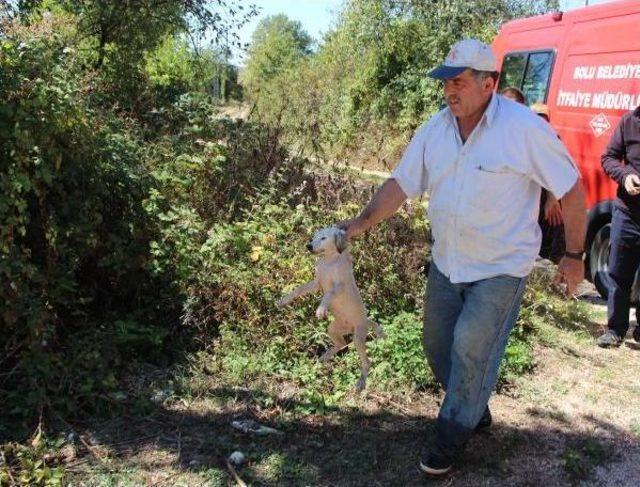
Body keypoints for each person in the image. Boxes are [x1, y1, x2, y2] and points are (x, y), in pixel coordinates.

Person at [338, 39, 587, 475]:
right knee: (437, 347)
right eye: (445, 83)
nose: (448, 91)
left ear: (489, 84)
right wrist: (358, 224)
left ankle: (449, 437)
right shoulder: (435, 130)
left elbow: (569, 187)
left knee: (471, 347)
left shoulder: (523, 129)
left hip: (500, 270)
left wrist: (573, 254)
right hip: (447, 264)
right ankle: (474, 407)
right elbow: (400, 184)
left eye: (458, 82)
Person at [501, 92, 566, 262]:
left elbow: (556, 170)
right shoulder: (512, 132)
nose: (540, 120)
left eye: (544, 117)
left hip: (541, 197)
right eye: (537, 116)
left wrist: (552, 197)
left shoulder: (551, 138)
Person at [596, 105, 640, 347]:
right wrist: (625, 177)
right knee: (618, 273)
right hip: (628, 213)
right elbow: (609, 157)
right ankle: (615, 330)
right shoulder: (629, 121)